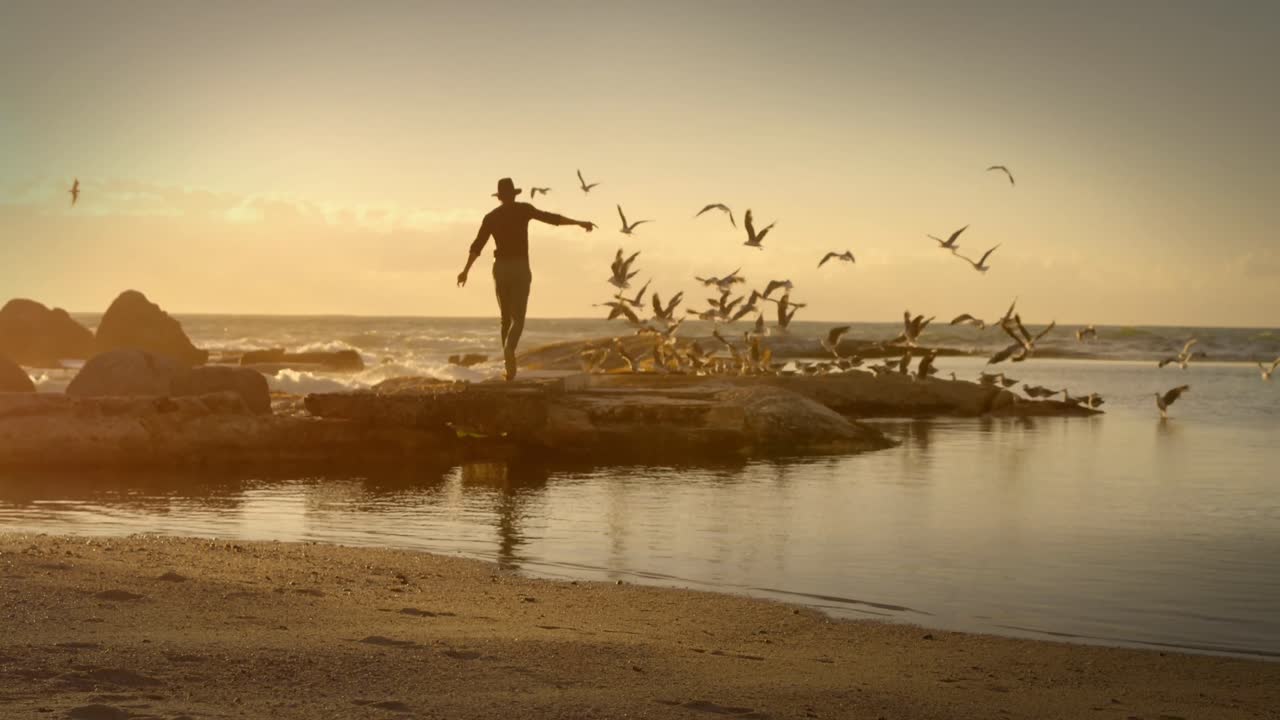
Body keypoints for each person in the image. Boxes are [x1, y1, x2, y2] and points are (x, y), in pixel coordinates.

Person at [457, 178, 595, 380]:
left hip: (500, 268)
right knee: (518, 319)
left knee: (505, 319)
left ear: (499, 197)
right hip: (520, 267)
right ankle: (509, 349)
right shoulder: (523, 209)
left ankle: (509, 368)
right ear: (513, 195)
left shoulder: (491, 217)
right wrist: (578, 222)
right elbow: (551, 218)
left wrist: (465, 271)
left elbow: (477, 245)